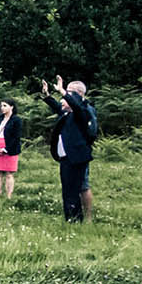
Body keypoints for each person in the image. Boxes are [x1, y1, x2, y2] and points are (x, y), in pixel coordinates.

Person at [41, 76, 97, 222]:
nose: (62, 99)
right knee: (67, 190)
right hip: (66, 157)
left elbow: (80, 111)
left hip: (77, 156)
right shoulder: (68, 113)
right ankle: (70, 218)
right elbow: (58, 107)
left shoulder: (83, 111)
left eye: (68, 95)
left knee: (76, 189)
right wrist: (47, 95)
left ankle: (77, 219)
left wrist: (62, 91)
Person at [0, 99, 23, 200]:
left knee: (9, 173)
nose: (2, 108)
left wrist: (5, 149)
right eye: (1, 106)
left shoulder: (16, 120)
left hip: (10, 147)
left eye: (5, 105)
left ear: (11, 107)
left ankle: (9, 196)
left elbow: (16, 137)